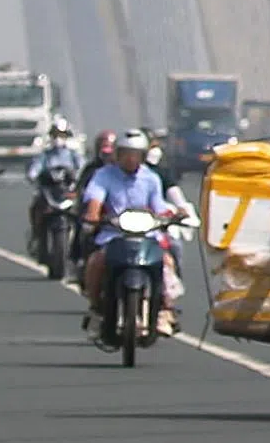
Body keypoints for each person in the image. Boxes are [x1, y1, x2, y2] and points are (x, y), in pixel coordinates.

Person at [76, 127, 188, 331]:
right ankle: (95, 306)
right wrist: (93, 215)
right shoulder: (104, 175)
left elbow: (159, 206)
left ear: (143, 156)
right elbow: (95, 198)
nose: (130, 159)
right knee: (96, 262)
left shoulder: (151, 178)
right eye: (126, 154)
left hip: (146, 234)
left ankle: (165, 309)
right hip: (113, 234)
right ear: (117, 154)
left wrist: (172, 216)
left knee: (167, 262)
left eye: (135, 155)